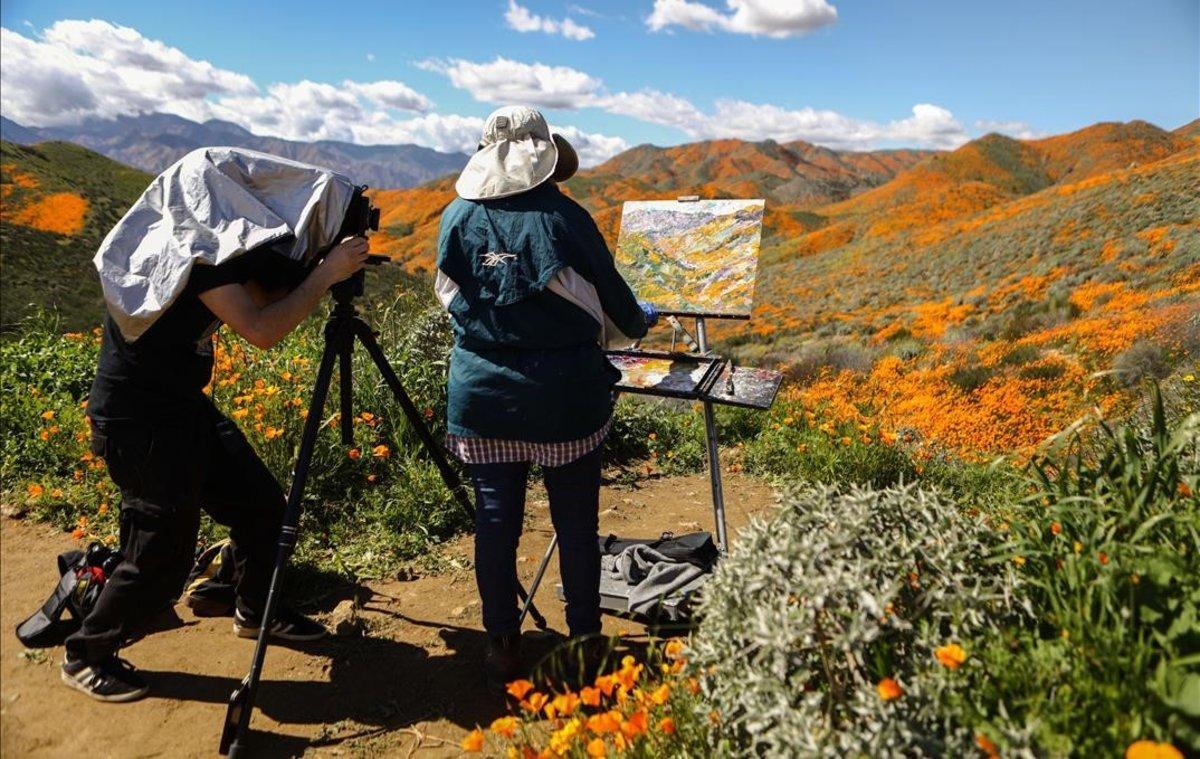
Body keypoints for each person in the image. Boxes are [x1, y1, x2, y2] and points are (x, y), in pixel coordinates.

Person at [62, 233, 371, 702]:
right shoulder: (204, 262)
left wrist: (314, 274)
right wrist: (326, 274)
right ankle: (86, 654)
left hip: (181, 406)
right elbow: (263, 329)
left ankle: (252, 607)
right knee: (160, 554)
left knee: (263, 505)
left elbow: (269, 302)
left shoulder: (231, 256)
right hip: (139, 419)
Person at [435, 105, 658, 693]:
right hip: (564, 399)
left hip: (481, 398)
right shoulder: (563, 218)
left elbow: (451, 298)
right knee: (576, 525)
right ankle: (583, 643)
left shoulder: (455, 216)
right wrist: (643, 321)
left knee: (495, 522)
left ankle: (502, 643)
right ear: (545, 158)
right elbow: (618, 311)